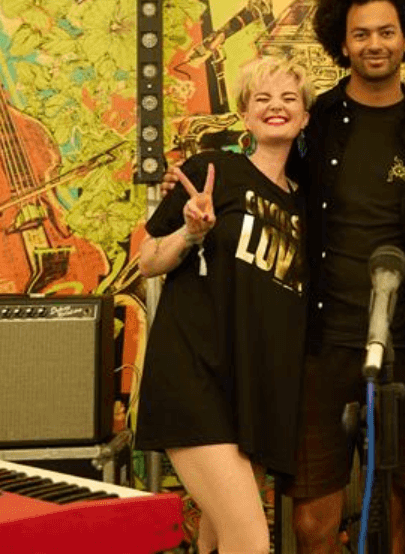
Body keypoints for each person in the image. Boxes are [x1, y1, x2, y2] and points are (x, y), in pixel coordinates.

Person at [288, 0, 405, 554]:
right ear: (342, 41)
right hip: (322, 343)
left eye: (387, 32)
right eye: (361, 34)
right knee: (311, 521)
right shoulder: (314, 125)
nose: (375, 44)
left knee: (395, 517)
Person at [135, 55, 315, 554]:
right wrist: (191, 234)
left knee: (217, 541)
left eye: (288, 99)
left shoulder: (305, 203)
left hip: (254, 390)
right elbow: (148, 260)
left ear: (304, 117)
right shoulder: (213, 172)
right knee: (251, 542)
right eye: (262, 98)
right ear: (245, 114)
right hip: (195, 374)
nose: (275, 107)